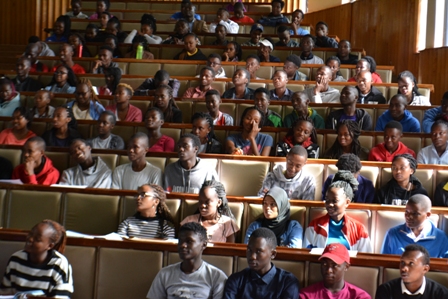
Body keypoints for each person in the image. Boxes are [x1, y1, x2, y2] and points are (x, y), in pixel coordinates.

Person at [146, 222, 227, 299]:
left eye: (189, 241)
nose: (182, 245)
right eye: (180, 241)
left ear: (204, 244)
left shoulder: (216, 276)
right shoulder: (165, 274)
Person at [0, 220, 73, 298]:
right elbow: (5, 292)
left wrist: (29, 297)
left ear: (50, 246)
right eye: (30, 234)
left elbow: (61, 297)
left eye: (37, 239)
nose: (30, 239)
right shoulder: (16, 259)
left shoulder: (59, 264)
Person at [305, 171, 373, 252]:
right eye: (327, 200)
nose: (330, 204)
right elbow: (306, 256)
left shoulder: (359, 230)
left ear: (347, 202)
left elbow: (365, 260)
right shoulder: (314, 226)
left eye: (335, 201)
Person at [223, 227, 299, 299]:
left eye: (258, 251)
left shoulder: (287, 281)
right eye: (249, 250)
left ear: (272, 254)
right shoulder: (236, 280)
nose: (252, 256)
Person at [381, 194, 448, 257]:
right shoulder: (392, 234)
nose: (408, 216)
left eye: (415, 214)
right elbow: (384, 263)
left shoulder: (441, 238)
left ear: (427, 215)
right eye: (406, 212)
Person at [300, 243, 371, 299]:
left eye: (334, 265)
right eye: (324, 264)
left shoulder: (359, 296)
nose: (328, 270)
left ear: (346, 267)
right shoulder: (306, 295)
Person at [375, 244, 448, 298]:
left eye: (411, 263)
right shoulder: (386, 290)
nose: (404, 268)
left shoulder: (441, 293)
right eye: (402, 263)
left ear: (425, 269)